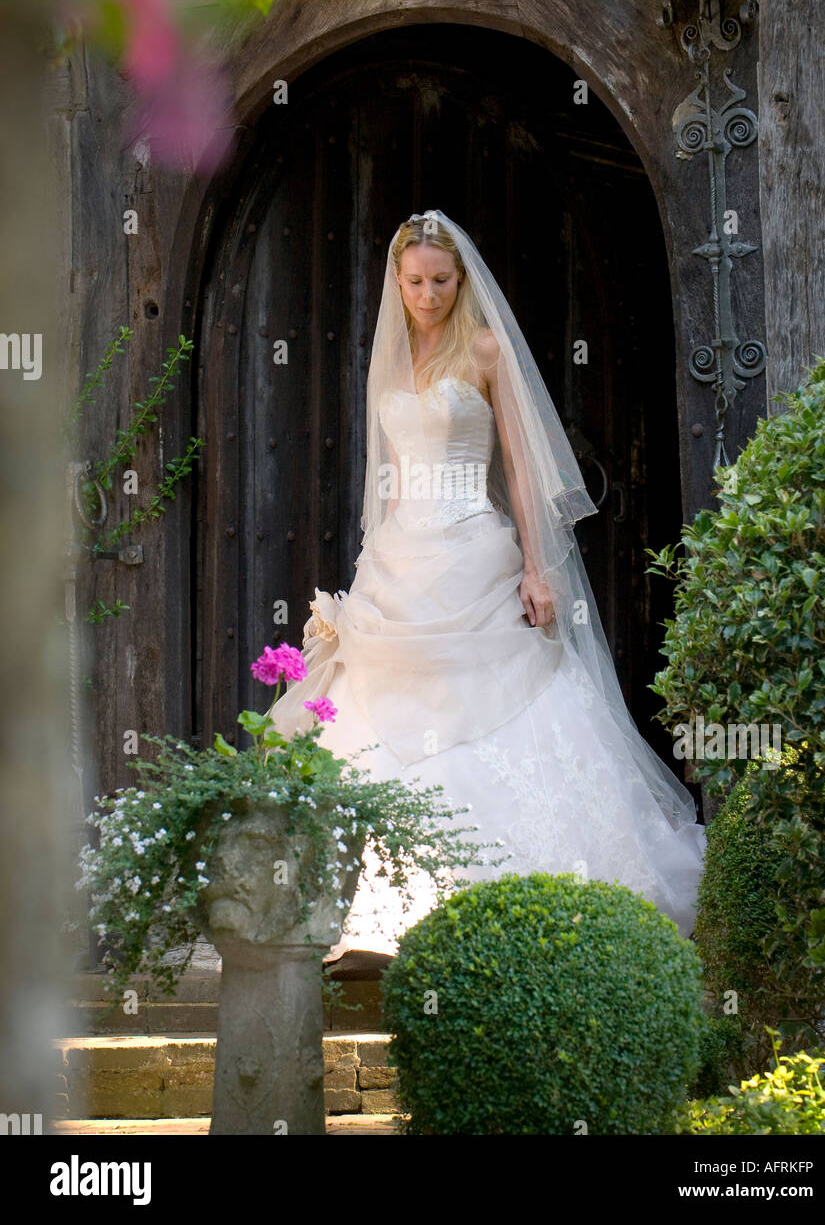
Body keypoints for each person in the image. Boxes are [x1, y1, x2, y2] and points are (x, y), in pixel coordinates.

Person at [269, 209, 705, 968]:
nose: (427, 294)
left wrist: (537, 568)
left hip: (475, 545)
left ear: (460, 278)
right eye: (414, 282)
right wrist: (377, 562)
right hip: (401, 555)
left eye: (441, 280)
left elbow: (526, 467)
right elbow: (391, 473)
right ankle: (383, 911)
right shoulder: (393, 353)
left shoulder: (482, 347)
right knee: (377, 715)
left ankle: (529, 902)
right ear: (397, 280)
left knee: (513, 704)